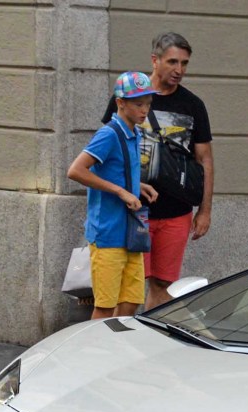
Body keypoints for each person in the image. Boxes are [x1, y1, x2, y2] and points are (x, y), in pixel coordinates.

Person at [101, 32, 213, 310]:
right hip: (135, 211)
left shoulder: (193, 105)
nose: (179, 70)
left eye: (184, 63)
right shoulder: (129, 97)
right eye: (173, 61)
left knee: (162, 285)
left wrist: (205, 210)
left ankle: (151, 344)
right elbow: (108, 150)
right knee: (130, 287)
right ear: (155, 60)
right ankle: (122, 345)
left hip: (177, 212)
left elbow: (205, 159)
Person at [68, 71, 159, 320]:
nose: (144, 110)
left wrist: (136, 186)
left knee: (131, 300)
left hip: (131, 232)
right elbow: (75, 171)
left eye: (148, 104)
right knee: (105, 306)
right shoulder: (108, 134)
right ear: (121, 103)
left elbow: (116, 170)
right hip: (108, 233)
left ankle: (113, 352)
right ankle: (95, 355)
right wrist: (120, 191)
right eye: (139, 104)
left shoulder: (135, 133)